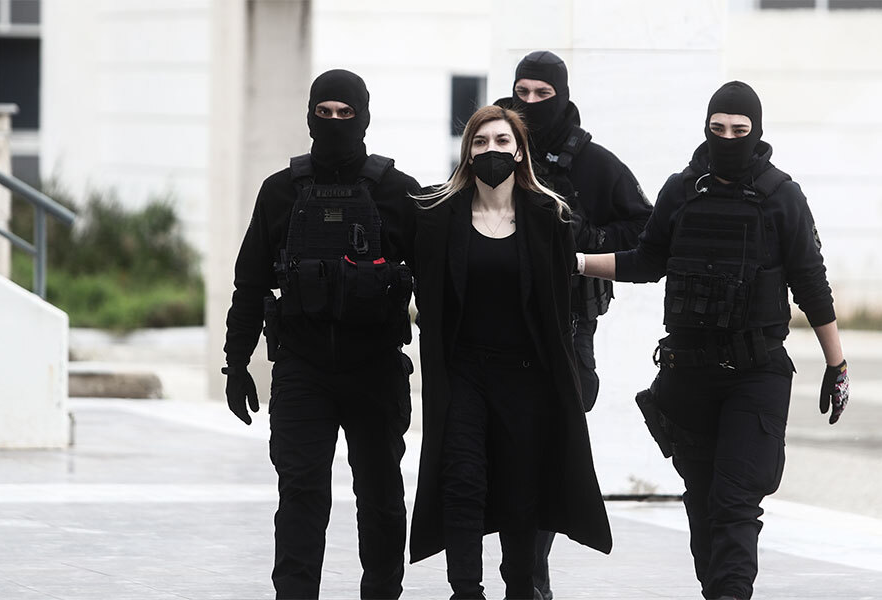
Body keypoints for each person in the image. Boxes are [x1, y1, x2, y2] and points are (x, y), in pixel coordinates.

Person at [580, 81, 850, 600]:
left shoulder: (782, 196)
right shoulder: (682, 191)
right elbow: (646, 261)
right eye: (717, 128)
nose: (727, 138)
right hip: (689, 374)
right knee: (703, 504)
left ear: (757, 131)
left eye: (739, 130)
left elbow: (811, 285)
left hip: (756, 372)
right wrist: (573, 263)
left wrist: (836, 365)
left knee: (734, 502)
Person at [221, 69, 420, 600]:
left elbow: (438, 285)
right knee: (301, 495)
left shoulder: (399, 192)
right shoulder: (279, 191)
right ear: (309, 116)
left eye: (345, 113)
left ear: (364, 118)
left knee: (381, 497)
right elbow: (250, 284)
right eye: (324, 112)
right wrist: (236, 363)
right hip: (302, 369)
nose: (333, 122)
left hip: (375, 370)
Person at [408, 105, 612, 600]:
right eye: (480, 142)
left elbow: (560, 311)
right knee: (462, 482)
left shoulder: (549, 218)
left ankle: (520, 588)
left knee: (522, 492)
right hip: (463, 375)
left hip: (526, 377)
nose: (491, 150)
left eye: (502, 141)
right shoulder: (439, 217)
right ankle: (465, 591)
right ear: (467, 154)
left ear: (520, 152)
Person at [495, 49, 652, 600]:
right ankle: (521, 579)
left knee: (543, 457)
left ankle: (527, 581)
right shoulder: (494, 149)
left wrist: (580, 242)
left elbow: (645, 232)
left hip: (567, 330)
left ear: (562, 96)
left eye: (543, 94)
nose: (530, 103)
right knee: (503, 459)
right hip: (497, 330)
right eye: (522, 92)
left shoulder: (594, 165)